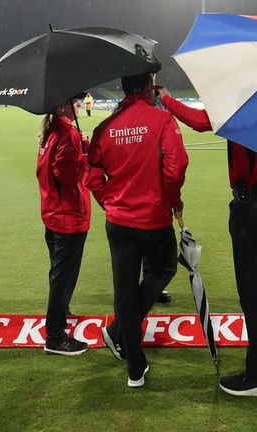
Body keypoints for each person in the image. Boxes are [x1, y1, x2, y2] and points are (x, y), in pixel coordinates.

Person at [157, 86, 257, 398]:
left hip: (254, 206)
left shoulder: (241, 114)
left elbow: (198, 121)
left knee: (254, 291)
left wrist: (165, 98)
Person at [85, 73, 188, 388]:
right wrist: (173, 201)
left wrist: (111, 203)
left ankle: (134, 366)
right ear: (147, 86)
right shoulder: (162, 120)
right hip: (154, 219)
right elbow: (176, 167)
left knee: (124, 291)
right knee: (165, 268)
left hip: (119, 222)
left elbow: (92, 177)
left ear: (123, 87)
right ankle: (118, 332)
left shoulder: (104, 128)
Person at [36, 98, 91, 355]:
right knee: (63, 276)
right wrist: (84, 155)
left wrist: (81, 146)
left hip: (54, 213)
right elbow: (70, 177)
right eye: (74, 102)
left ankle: (61, 310)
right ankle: (56, 336)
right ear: (62, 107)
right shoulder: (67, 134)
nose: (78, 105)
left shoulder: (51, 131)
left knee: (59, 273)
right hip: (68, 216)